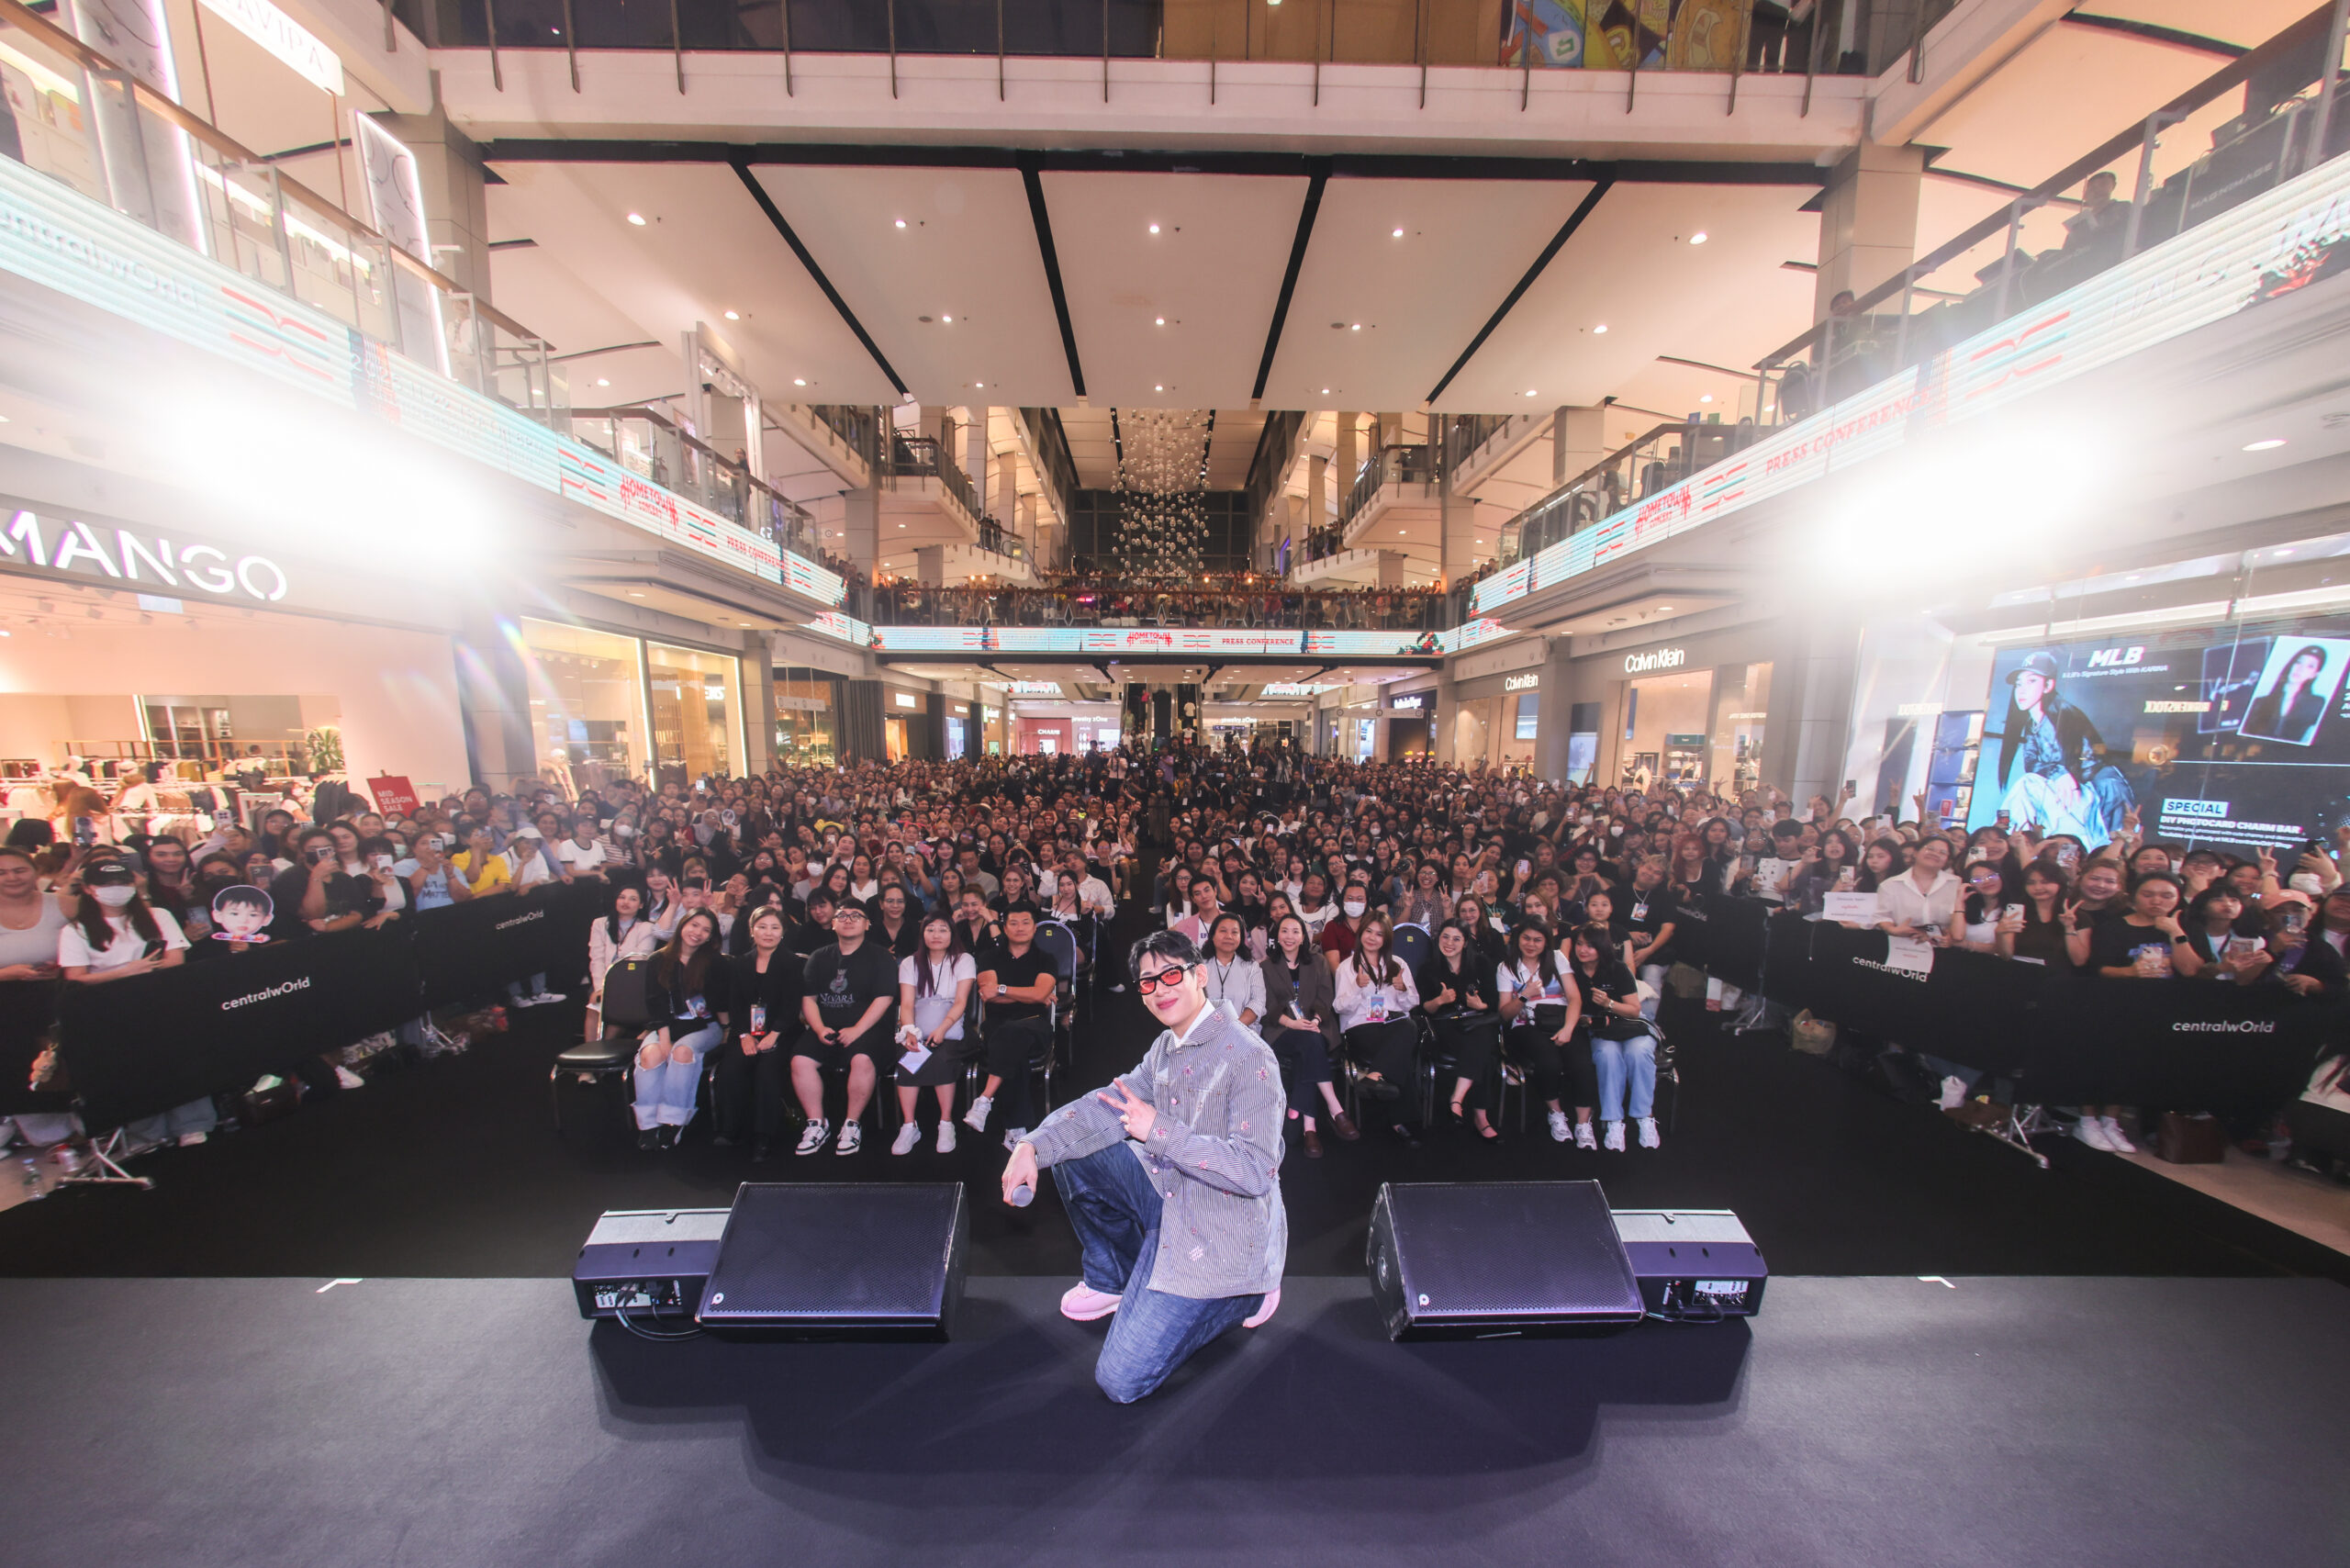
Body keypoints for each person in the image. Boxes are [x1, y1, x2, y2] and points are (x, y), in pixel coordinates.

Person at [1000, 929, 1284, 1404]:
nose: (1159, 989)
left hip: (1222, 1229)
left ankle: (1245, 1296)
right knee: (1075, 1150)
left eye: (1171, 974)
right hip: (1170, 1195)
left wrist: (1159, 1131)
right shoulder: (1166, 1047)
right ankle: (1114, 1277)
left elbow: (1255, 1171)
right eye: (1148, 982)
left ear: (1199, 976)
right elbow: (1109, 1105)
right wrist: (1033, 1144)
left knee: (1121, 1380)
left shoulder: (1250, 1056)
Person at [62, 856, 204, 1147]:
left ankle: (191, 1124)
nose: (116, 889)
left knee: (182, 1062)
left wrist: (143, 971)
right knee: (134, 1071)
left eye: (122, 882)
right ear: (89, 889)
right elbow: (76, 978)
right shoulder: (75, 930)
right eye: (106, 884)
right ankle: (148, 1133)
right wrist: (125, 972)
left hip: (163, 1001)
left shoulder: (159, 916)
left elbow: (175, 959)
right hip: (112, 1009)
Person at [789, 901, 899, 1156]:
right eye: (842, 915)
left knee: (862, 1060)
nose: (848, 920)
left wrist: (857, 1030)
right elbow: (809, 999)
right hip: (826, 1027)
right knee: (800, 1061)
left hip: (869, 1030)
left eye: (856, 916)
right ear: (833, 923)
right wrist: (818, 1028)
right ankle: (817, 1123)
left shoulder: (881, 956)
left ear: (867, 924)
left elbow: (884, 998)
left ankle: (851, 1124)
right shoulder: (819, 956)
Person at [1990, 652, 2136, 844]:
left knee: (2026, 785)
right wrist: (2058, 773)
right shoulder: (2033, 725)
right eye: (2019, 684)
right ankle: (2003, 834)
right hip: (2067, 798)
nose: (2022, 690)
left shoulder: (2066, 716)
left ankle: (2000, 836)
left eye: (2032, 681)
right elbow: (2031, 763)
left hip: (2092, 799)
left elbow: (2090, 764)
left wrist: (2062, 774)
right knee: (2026, 787)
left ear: (2048, 686)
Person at [1259, 911, 1353, 1157]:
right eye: (1284, 931)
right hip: (1282, 1030)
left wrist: (1315, 1020)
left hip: (1315, 1025)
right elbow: (1267, 1005)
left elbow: (1326, 996)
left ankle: (1308, 1127)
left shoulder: (1318, 961)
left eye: (1295, 931)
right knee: (1310, 1043)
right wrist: (1292, 1024)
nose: (1289, 936)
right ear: (1277, 936)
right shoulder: (1266, 967)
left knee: (1309, 1044)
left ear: (1303, 937)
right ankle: (1334, 1107)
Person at [711, 906, 800, 1160]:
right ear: (752, 931)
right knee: (731, 1067)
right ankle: (731, 1129)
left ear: (782, 932)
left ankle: (764, 1136)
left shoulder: (792, 962)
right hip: (747, 1031)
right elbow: (736, 1004)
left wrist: (774, 1034)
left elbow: (792, 1005)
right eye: (762, 927)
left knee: (767, 1069)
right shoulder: (740, 963)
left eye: (774, 927)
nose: (768, 933)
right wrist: (744, 1035)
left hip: (783, 1031)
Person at [632, 909, 725, 1150]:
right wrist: (664, 1039)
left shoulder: (714, 962)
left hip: (705, 1026)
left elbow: (722, 1003)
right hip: (667, 1025)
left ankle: (673, 1121)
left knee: (682, 1052)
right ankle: (648, 1124)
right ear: (683, 924)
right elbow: (655, 1003)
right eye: (694, 925)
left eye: (705, 930)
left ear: (711, 936)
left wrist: (727, 1030)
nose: (698, 933)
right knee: (651, 1054)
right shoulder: (658, 959)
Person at [1566, 923, 1660, 1151]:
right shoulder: (1571, 972)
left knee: (1638, 1053)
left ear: (1602, 947)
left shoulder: (1618, 969)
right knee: (1607, 1056)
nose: (1583, 950)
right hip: (1601, 1029)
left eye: (1590, 946)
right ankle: (1613, 1120)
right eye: (1579, 944)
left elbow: (1634, 1010)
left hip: (1630, 1025)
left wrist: (1608, 1003)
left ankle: (1644, 1116)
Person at [965, 905, 1056, 1139]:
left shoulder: (1046, 959)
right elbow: (988, 995)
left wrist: (1003, 989)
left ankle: (985, 1099)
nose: (1020, 928)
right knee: (1014, 1045)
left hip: (1035, 1023)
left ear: (1035, 928)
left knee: (1012, 1035)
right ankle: (1015, 1130)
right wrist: (1031, 994)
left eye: (1026, 923)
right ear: (1004, 929)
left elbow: (1038, 994)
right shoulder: (989, 957)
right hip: (997, 1024)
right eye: (1013, 923)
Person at [1333, 913, 1421, 1146]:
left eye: (1379, 934)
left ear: (1387, 939)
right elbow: (1339, 1007)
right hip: (1361, 1028)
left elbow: (1413, 1003)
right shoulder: (1347, 967)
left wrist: (1402, 990)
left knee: (1408, 1027)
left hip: (1394, 1025)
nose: (1372, 938)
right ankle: (1400, 1122)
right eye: (1369, 932)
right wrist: (1357, 988)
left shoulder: (1398, 964)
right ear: (1361, 933)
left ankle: (1374, 1075)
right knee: (1402, 1047)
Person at [891, 914, 976, 1155]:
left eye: (942, 930)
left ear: (952, 934)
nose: (936, 935)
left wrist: (942, 1028)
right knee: (909, 1059)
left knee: (942, 1057)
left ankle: (946, 1123)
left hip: (953, 1029)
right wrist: (909, 1031)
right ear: (923, 934)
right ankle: (909, 1125)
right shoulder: (910, 963)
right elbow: (907, 1004)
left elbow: (961, 1002)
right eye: (930, 930)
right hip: (919, 1029)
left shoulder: (964, 960)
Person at [1498, 921, 1582, 1147]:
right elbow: (1504, 1014)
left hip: (1561, 1022)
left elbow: (1574, 998)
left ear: (1546, 942)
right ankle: (1556, 1113)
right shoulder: (1506, 967)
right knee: (1550, 1061)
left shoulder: (1557, 958)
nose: (1531, 944)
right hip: (1525, 1026)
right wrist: (1524, 995)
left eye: (1537, 940)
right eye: (1526, 938)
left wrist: (1568, 1028)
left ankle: (1584, 1123)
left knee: (1582, 1062)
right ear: (1518, 939)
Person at [1417, 918, 1500, 1138]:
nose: (1449, 943)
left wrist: (1480, 1005)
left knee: (1483, 1040)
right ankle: (1481, 1117)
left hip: (1477, 1021)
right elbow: (1422, 1008)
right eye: (1445, 937)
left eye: (1456, 939)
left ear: (1465, 942)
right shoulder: (1428, 968)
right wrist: (1440, 1000)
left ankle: (1457, 1099)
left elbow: (1494, 1002)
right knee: (1485, 1054)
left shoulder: (1481, 963)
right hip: (1444, 1025)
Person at [585, 883, 661, 1043]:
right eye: (622, 897)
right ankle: (590, 1049)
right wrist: (600, 988)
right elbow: (596, 958)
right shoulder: (600, 924)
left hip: (632, 981)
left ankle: (604, 1047)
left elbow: (638, 962)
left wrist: (612, 987)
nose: (626, 902)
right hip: (604, 981)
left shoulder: (647, 928)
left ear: (641, 905)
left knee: (621, 1004)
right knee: (594, 1005)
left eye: (633, 899)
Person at [2241, 644, 2333, 745]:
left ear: (2315, 674)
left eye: (2310, 666)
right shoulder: (2260, 702)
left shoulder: (2317, 704)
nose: (2300, 669)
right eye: (2299, 662)